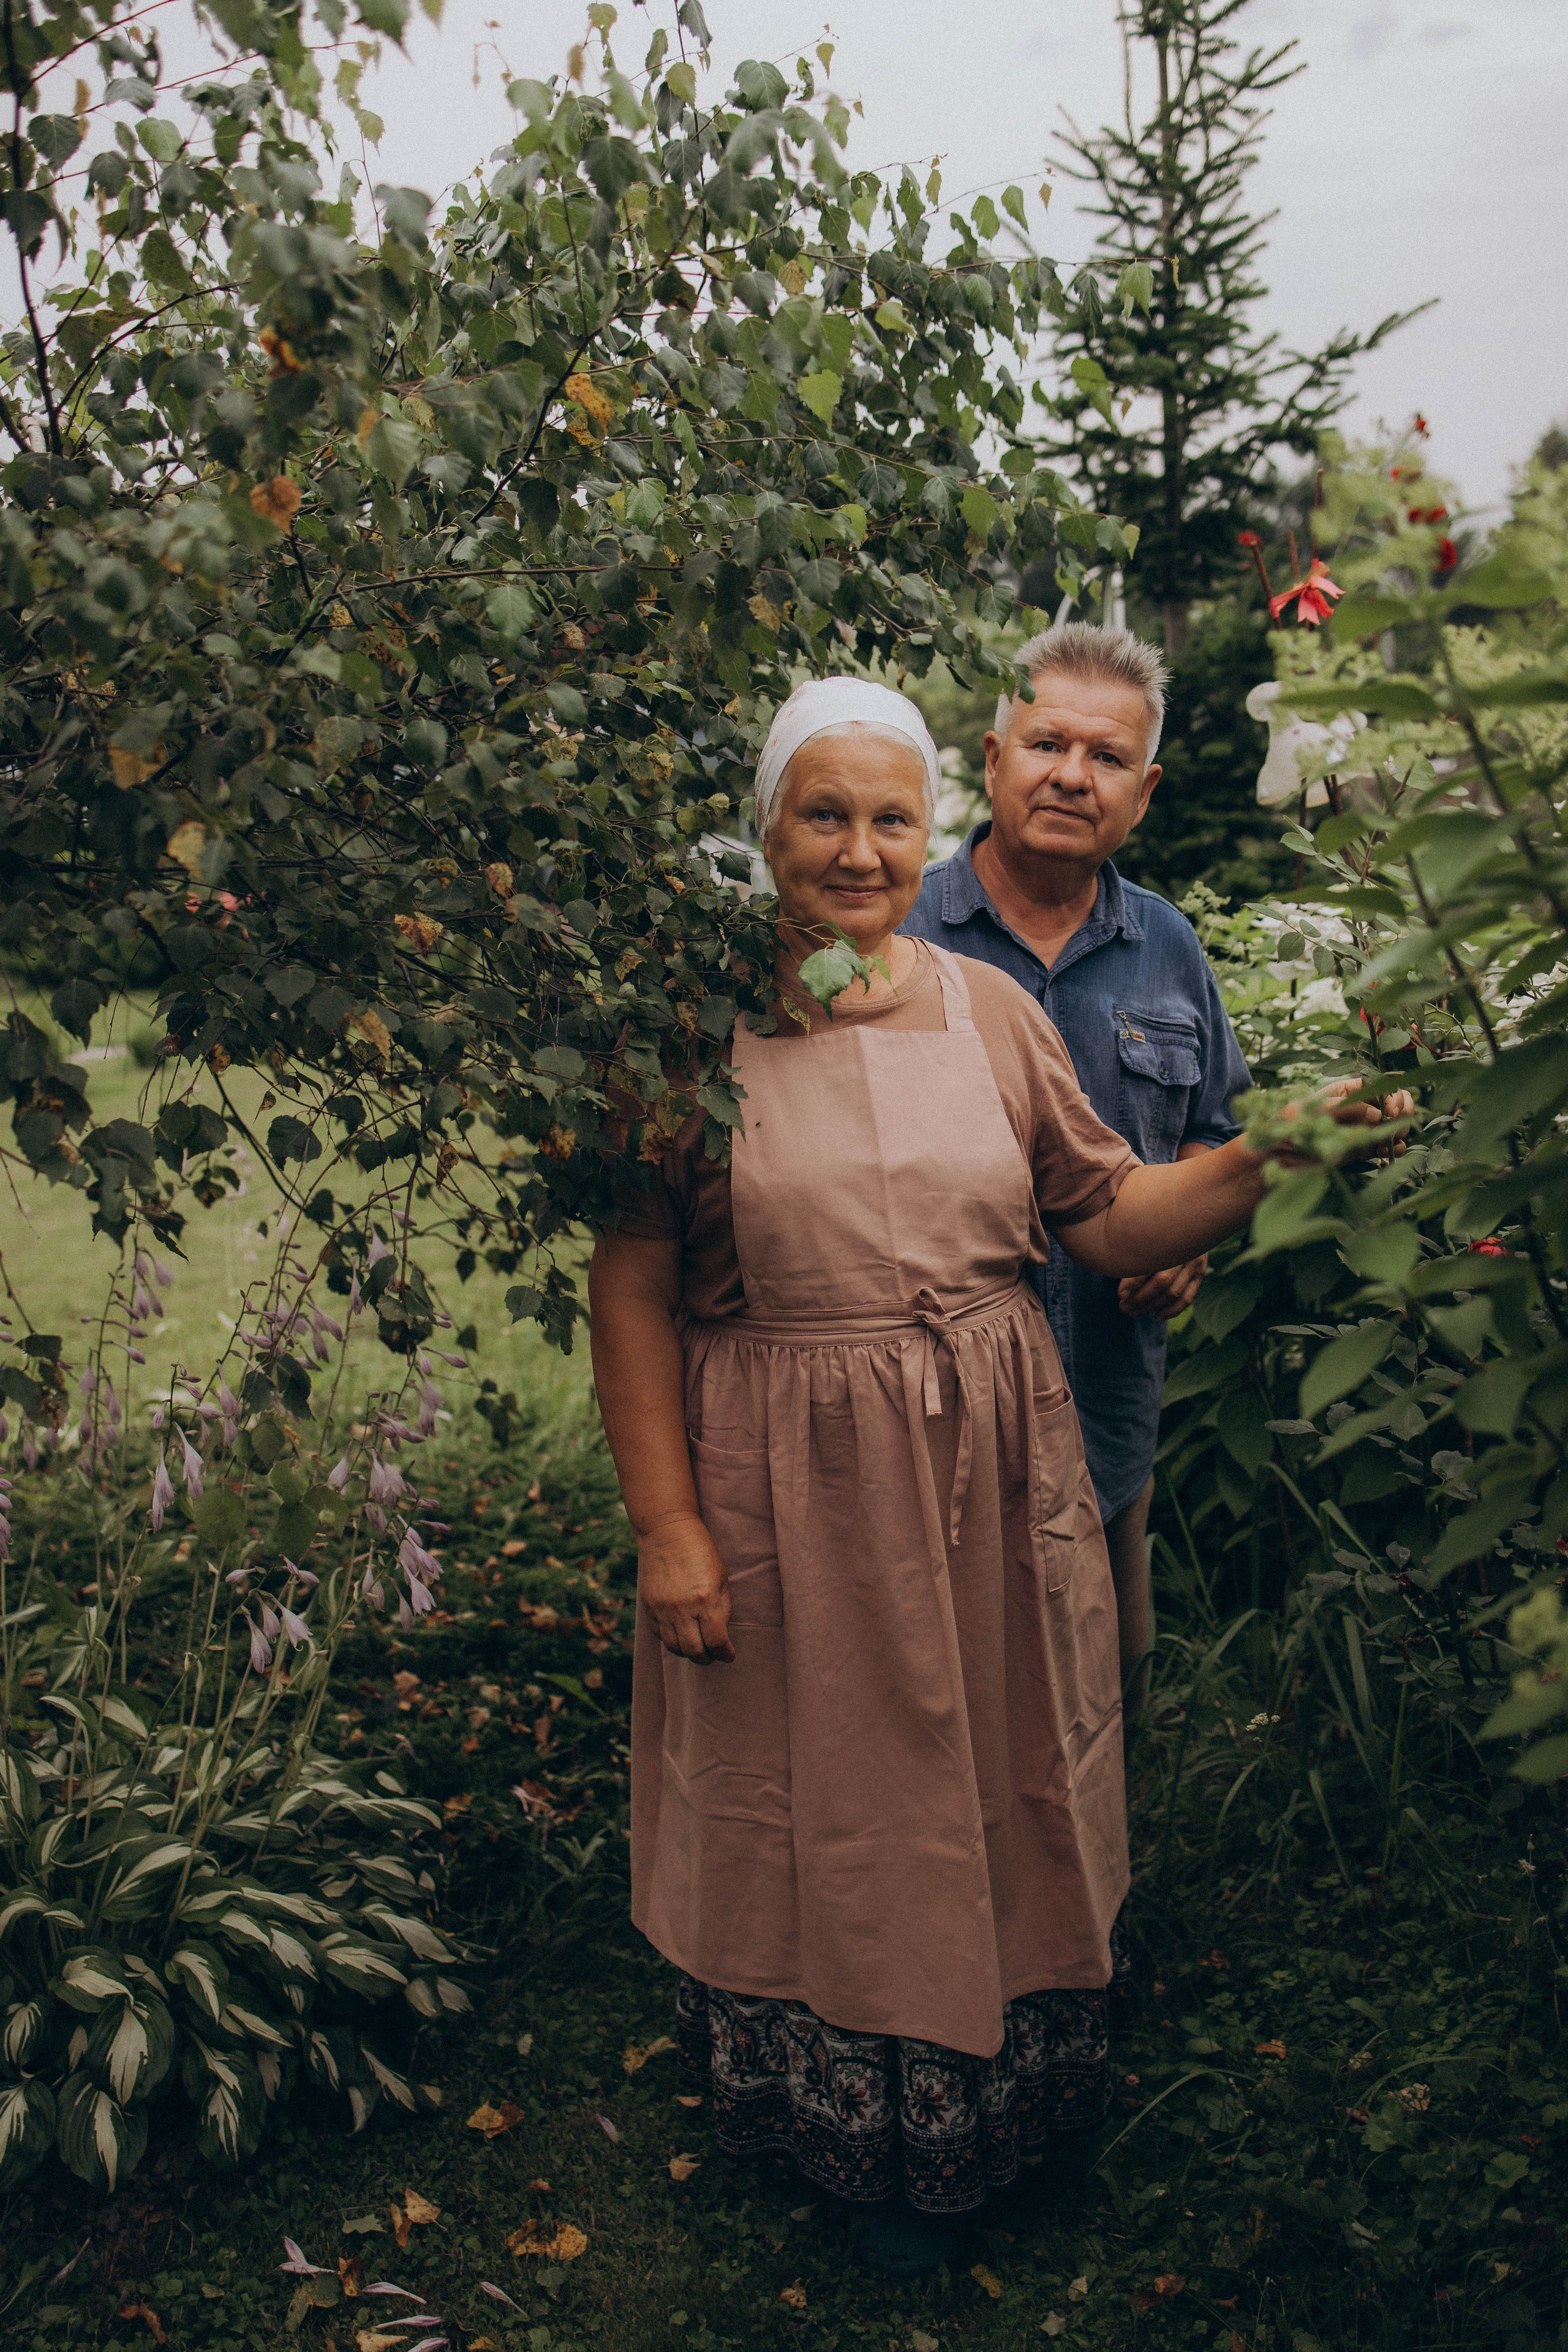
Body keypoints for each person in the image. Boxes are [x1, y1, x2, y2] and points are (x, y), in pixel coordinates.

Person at [588, 677, 1402, 2278]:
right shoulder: (688, 1034)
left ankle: (1005, 2101)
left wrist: (1269, 1157)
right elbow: (629, 1288)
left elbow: (1107, 1216)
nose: (858, 849)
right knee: (829, 1796)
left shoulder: (988, 1013)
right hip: (787, 1485)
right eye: (824, 815)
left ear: (927, 835)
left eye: (890, 819)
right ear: (767, 830)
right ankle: (852, 2134)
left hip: (988, 1471)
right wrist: (669, 1527)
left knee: (1003, 1769)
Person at [902, 624, 1250, 1722]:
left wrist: (1189, 1240)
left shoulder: (1167, 948)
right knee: (940, 1685)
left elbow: (1213, 1127)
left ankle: (1115, 1839)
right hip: (925, 1396)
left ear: (1144, 792)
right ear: (994, 757)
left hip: (1106, 1384)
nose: (1071, 775)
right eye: (1047, 743)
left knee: (1106, 1683)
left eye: (1106, 757)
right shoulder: (898, 932)